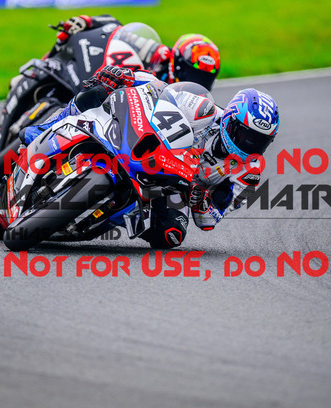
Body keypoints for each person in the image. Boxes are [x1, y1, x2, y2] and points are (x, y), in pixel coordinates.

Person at [20, 65, 280, 249]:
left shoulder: (248, 174)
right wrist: (127, 76)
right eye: (244, 134)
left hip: (174, 190)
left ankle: (108, 218)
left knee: (171, 236)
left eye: (259, 141)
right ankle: (47, 128)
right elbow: (160, 89)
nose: (248, 144)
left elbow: (210, 220)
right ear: (229, 120)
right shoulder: (204, 110)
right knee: (97, 92)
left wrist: (201, 201)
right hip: (152, 153)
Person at [49, 14, 221, 90]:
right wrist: (88, 21)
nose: (197, 81)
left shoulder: (195, 98)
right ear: (178, 63)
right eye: (193, 74)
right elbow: (116, 27)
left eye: (204, 78)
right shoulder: (158, 53)